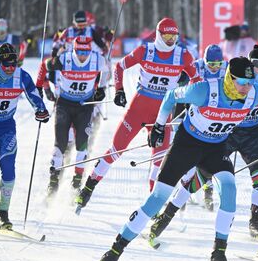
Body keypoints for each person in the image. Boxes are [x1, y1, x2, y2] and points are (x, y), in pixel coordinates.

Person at [95, 57, 258, 261]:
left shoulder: (253, 94)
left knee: (230, 189)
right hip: (187, 144)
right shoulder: (204, 90)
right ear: (230, 78)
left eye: (250, 82)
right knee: (157, 199)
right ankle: (113, 253)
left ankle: (218, 256)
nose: (246, 87)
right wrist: (159, 125)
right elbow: (170, 96)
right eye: (241, 81)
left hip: (216, 147)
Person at [150, 45, 258, 240]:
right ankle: (167, 216)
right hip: (227, 132)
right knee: (200, 179)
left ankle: (255, 222)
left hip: (252, 133)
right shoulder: (235, 78)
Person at [74, 17, 198, 211]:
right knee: (116, 150)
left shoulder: (183, 55)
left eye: (173, 36)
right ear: (158, 35)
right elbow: (119, 67)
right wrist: (120, 90)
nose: (170, 41)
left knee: (158, 162)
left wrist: (191, 97)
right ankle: (87, 189)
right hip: (139, 109)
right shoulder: (146, 50)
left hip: (163, 114)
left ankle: (152, 207)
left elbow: (197, 80)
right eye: (166, 36)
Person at [0, 43, 49, 229]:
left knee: (8, 167)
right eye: (6, 65)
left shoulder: (20, 76)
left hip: (6, 129)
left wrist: (41, 110)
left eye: (14, 64)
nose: (11, 68)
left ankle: (2, 212)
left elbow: (34, 95)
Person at [45, 37, 108, 197]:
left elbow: (106, 70)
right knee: (60, 143)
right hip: (64, 105)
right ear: (73, 50)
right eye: (79, 52)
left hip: (84, 106)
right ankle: (53, 181)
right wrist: (46, 86)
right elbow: (45, 66)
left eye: (85, 52)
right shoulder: (64, 58)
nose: (82, 56)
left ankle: (77, 180)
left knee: (82, 143)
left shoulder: (97, 59)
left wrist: (101, 88)